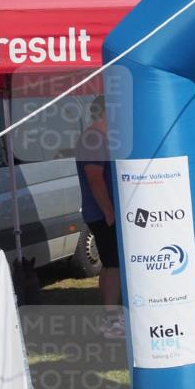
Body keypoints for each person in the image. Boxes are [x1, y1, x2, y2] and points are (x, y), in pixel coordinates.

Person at [75, 95, 123, 339]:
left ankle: (110, 317)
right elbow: (94, 178)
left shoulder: (100, 138)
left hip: (103, 213)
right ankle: (112, 321)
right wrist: (110, 212)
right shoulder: (93, 138)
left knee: (109, 264)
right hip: (103, 213)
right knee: (114, 265)